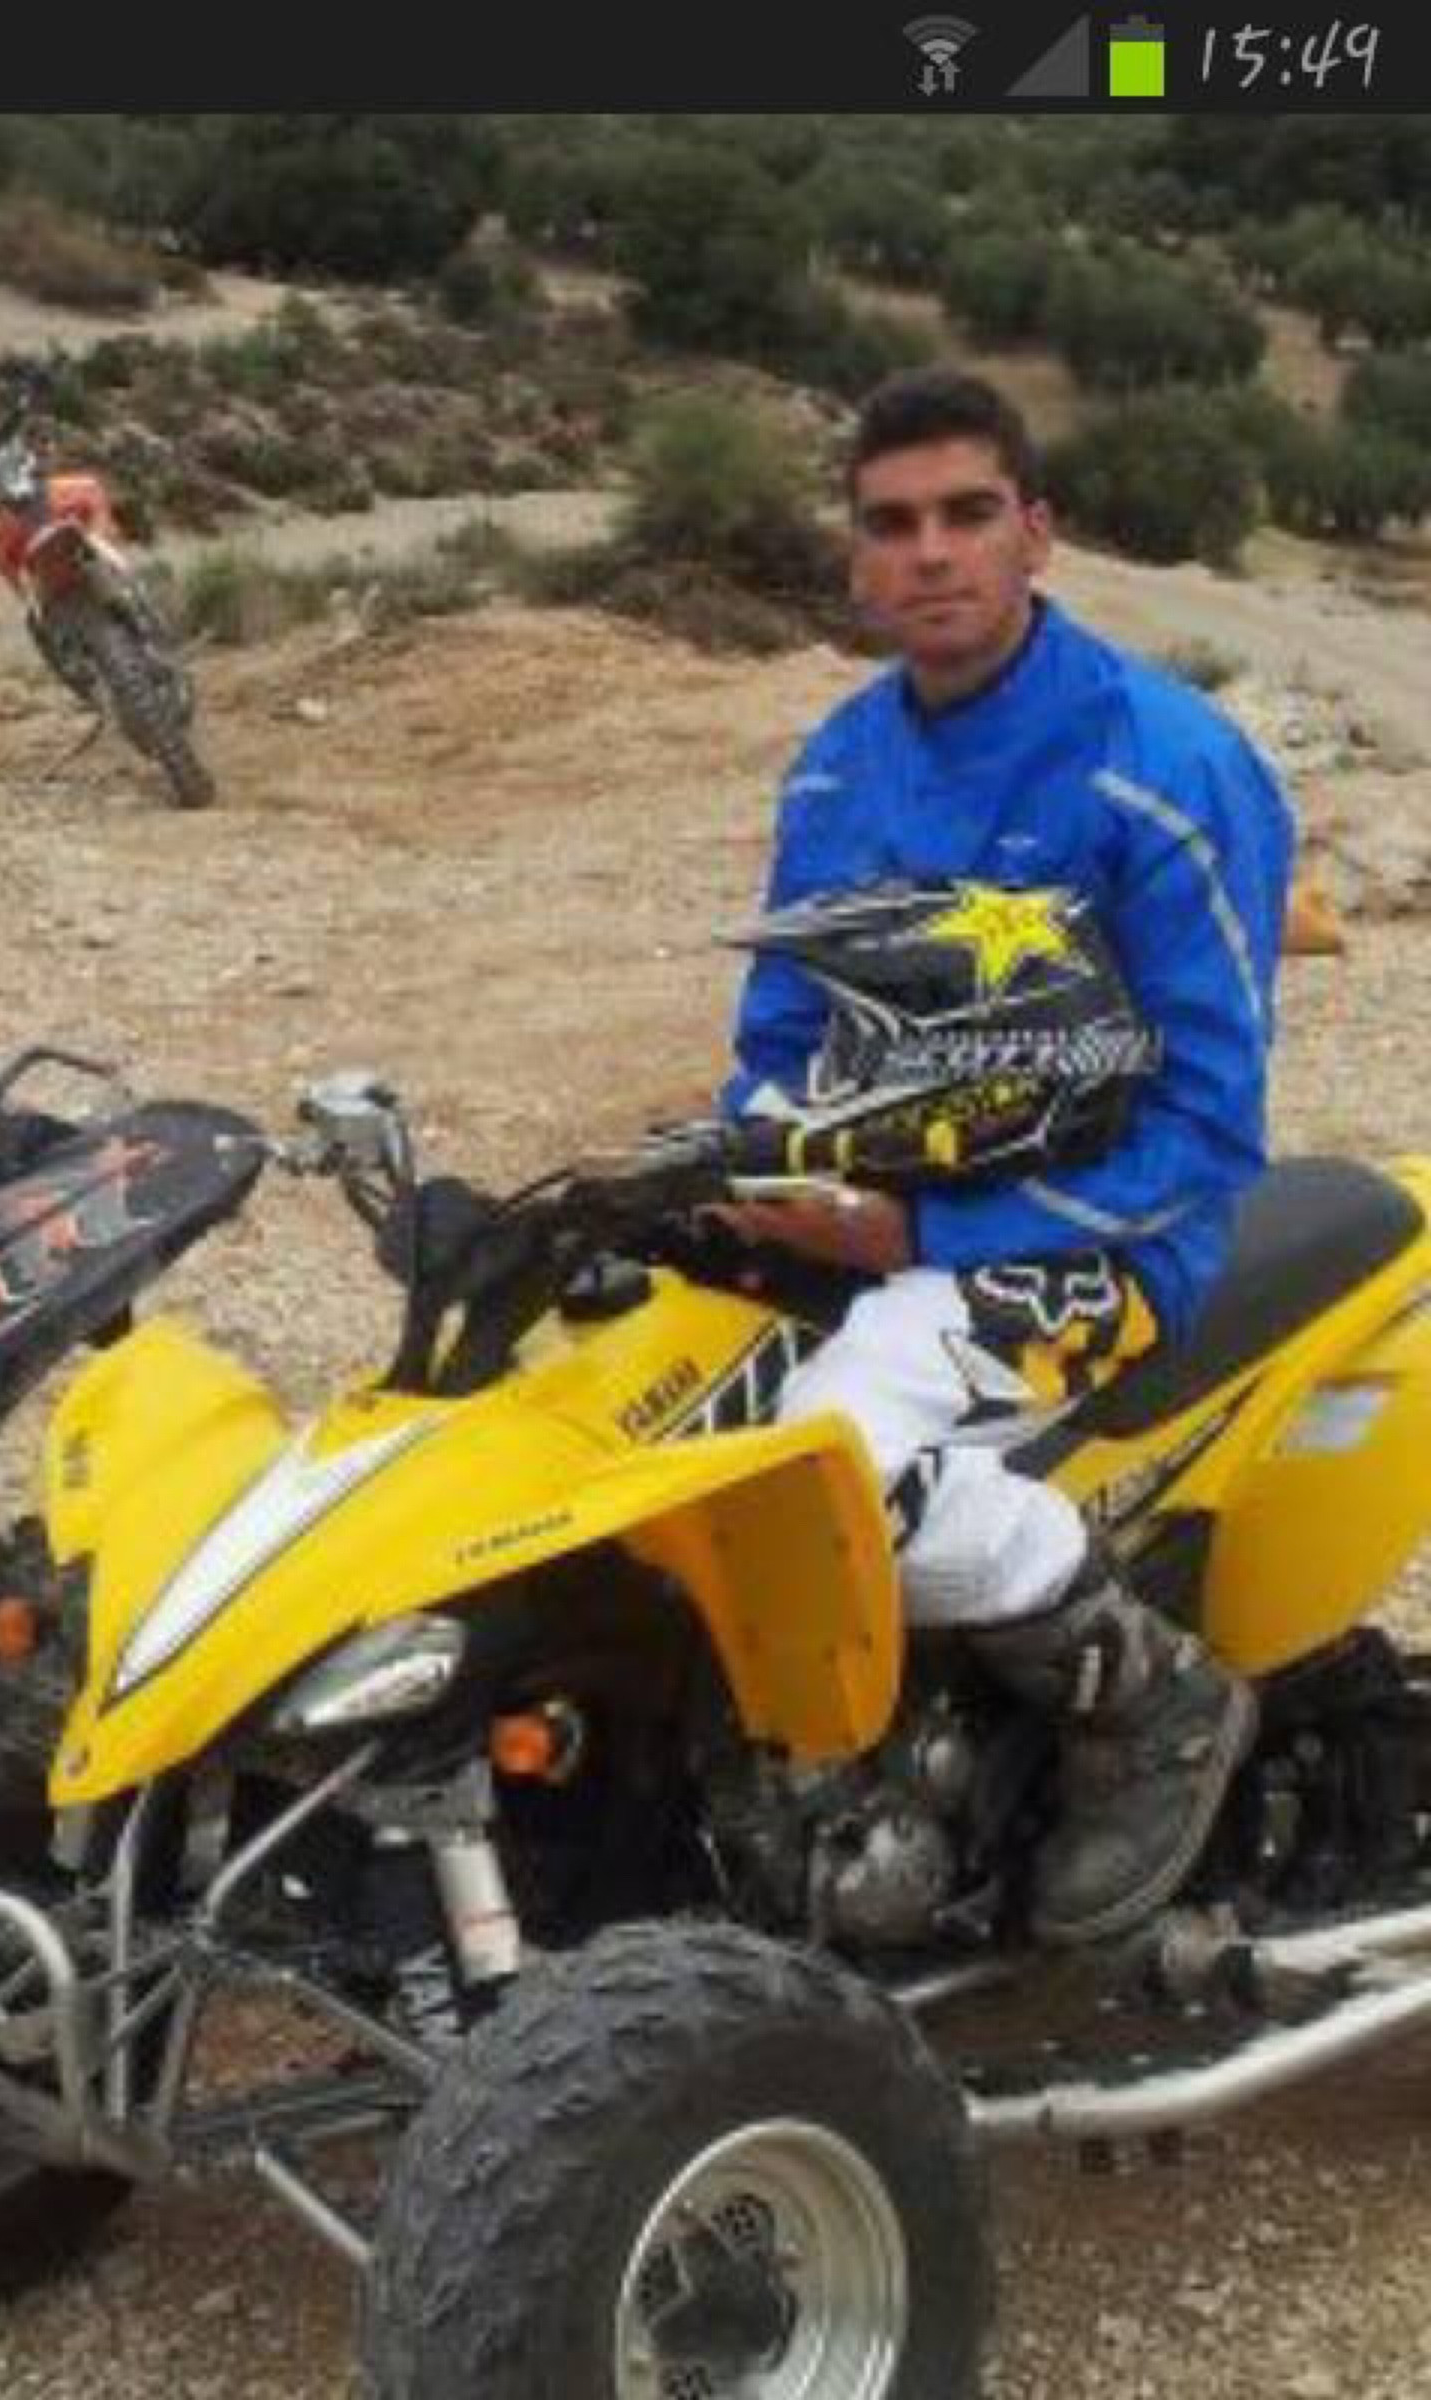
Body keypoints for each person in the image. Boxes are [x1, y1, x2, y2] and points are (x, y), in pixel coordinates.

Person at [718, 367, 1296, 1948]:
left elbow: (1206, 1126)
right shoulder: (837, 765)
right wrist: (753, 1171)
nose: (930, 553)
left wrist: (923, 1238)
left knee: (831, 1466)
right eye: (891, 523)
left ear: (1035, 533)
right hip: (874, 1214)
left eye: (967, 514)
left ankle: (1155, 1696)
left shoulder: (1165, 767)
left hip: (1103, 1237)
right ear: (855, 559)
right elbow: (782, 1037)